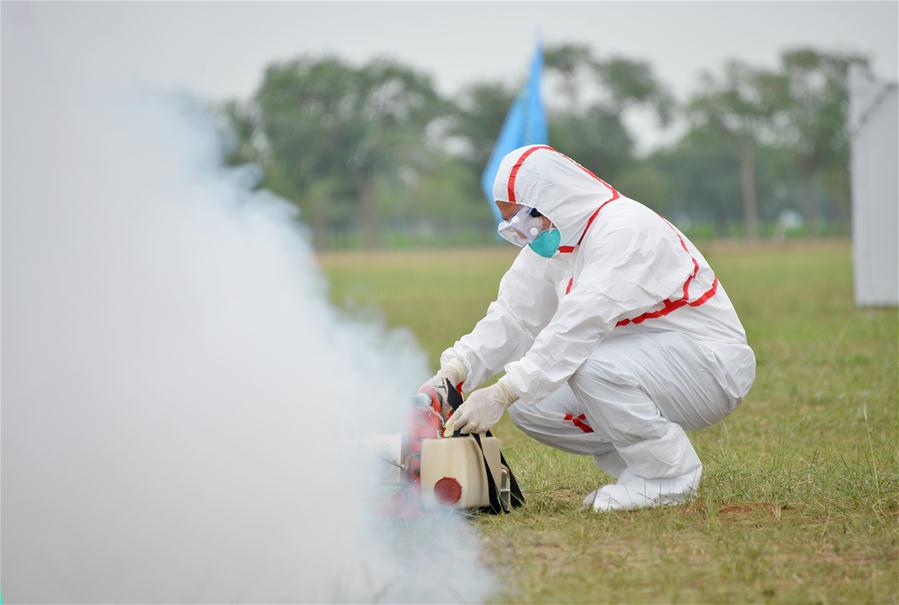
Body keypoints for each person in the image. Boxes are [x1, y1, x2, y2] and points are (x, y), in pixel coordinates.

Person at [422, 145, 756, 512]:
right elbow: (513, 318)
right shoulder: (556, 242)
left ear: (552, 200)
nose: (524, 235)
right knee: (532, 406)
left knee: (582, 365)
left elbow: (578, 328)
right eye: (512, 228)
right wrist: (455, 371)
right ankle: (642, 467)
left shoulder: (624, 230)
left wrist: (503, 391)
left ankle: (668, 477)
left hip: (709, 366)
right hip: (643, 367)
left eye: (523, 222)